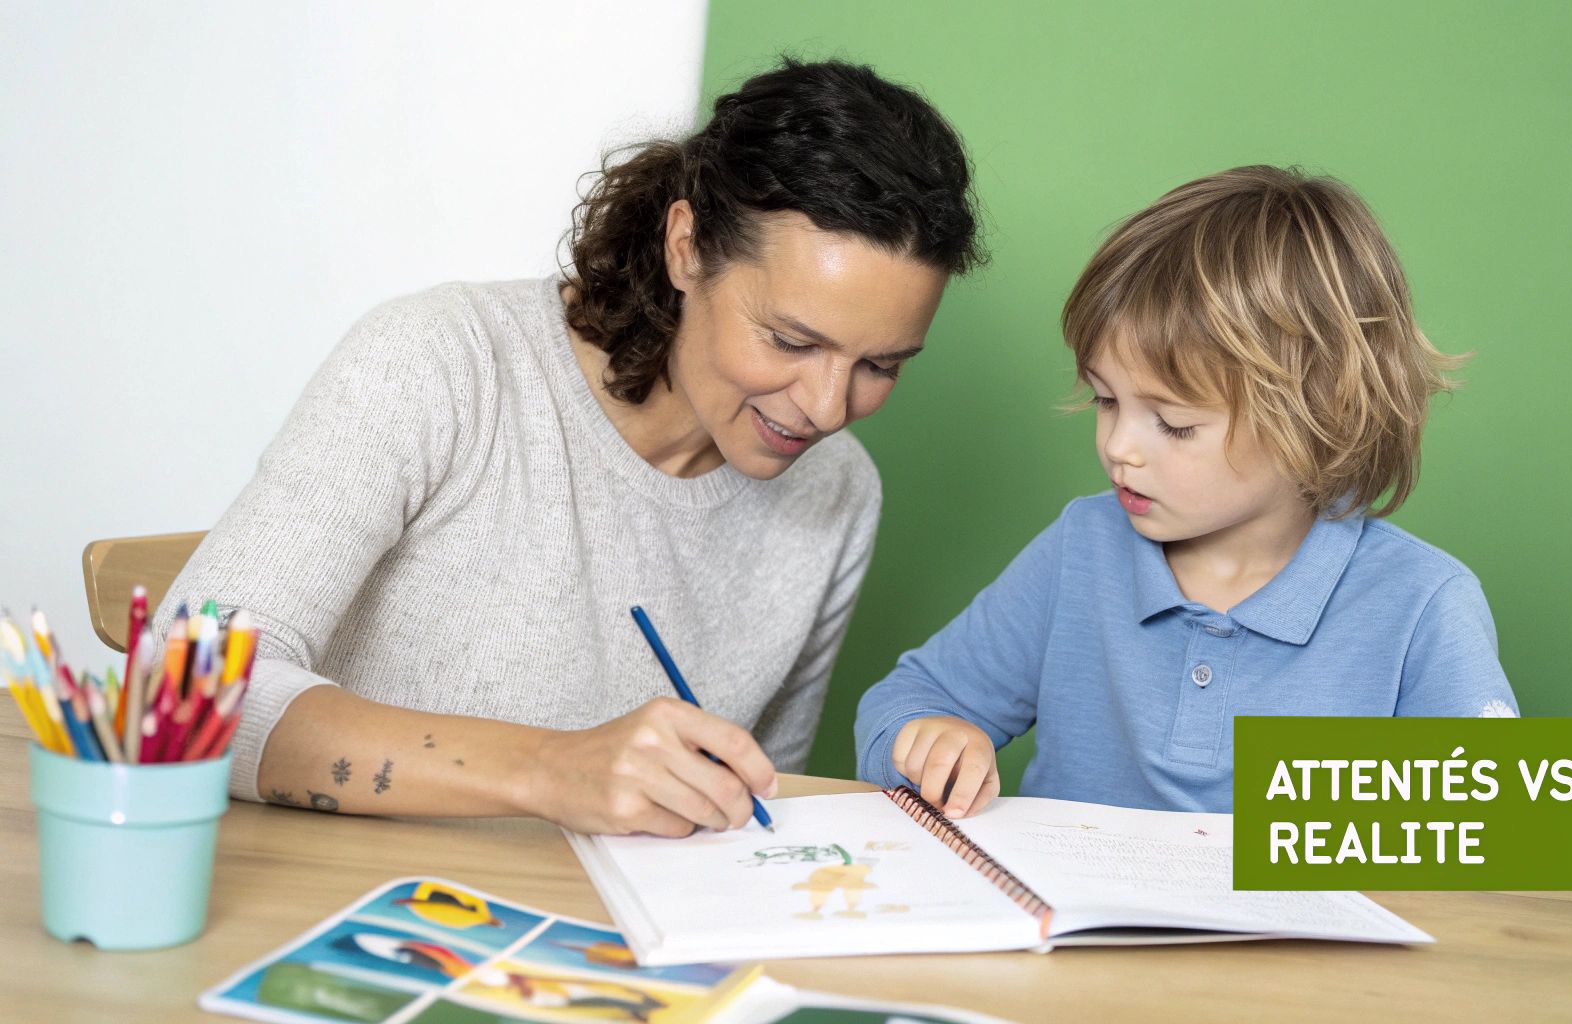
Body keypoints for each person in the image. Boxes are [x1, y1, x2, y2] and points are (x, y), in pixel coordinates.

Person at [153, 58, 983, 836]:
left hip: (603, 936)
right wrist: (547, 769)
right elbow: (180, 690)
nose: (828, 409)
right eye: (790, 341)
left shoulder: (838, 492)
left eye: (881, 366)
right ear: (687, 247)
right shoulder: (444, 362)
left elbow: (748, 818)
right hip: (358, 909)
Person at [854, 165, 1517, 818]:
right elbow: (904, 701)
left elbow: (1498, 832)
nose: (1119, 447)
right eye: (1106, 400)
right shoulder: (1082, 547)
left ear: (1318, 419)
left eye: (1174, 424)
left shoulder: (1423, 603)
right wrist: (931, 740)